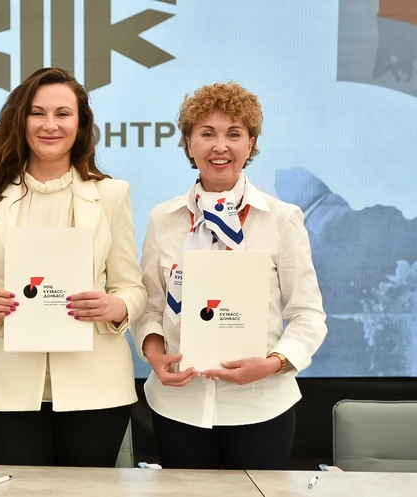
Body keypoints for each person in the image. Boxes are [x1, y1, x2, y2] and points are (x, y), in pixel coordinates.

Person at [0, 67, 147, 467]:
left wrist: (116, 307)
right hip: (11, 387)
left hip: (96, 387)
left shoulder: (111, 195)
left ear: (81, 124)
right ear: (20, 120)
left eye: (63, 114)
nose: (50, 125)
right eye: (37, 113)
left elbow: (132, 286)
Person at [133, 82, 327, 470]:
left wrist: (272, 364)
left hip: (260, 405)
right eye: (207, 134)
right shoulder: (163, 219)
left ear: (251, 145)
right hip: (178, 406)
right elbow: (150, 308)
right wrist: (154, 354)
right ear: (189, 144)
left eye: (234, 134)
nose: (220, 146)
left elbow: (308, 315)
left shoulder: (282, 219)